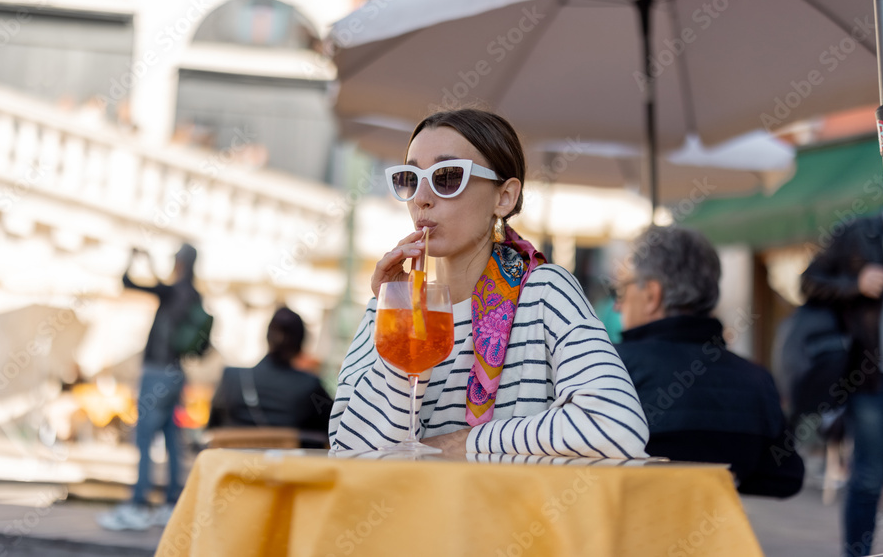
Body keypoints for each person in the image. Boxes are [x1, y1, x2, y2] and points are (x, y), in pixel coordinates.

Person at [328, 109, 649, 457]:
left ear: (504, 197)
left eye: (447, 176)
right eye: (409, 178)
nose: (422, 198)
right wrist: (403, 322)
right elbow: (348, 453)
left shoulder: (543, 292)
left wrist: (466, 441)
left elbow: (617, 426)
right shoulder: (392, 305)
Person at [614, 225, 805, 498]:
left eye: (620, 291)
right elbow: (785, 477)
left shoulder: (612, 368)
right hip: (716, 536)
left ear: (651, 295)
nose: (616, 306)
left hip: (622, 534)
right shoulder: (756, 379)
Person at [800, 160, 883, 556]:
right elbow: (808, 283)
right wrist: (856, 284)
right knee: (867, 480)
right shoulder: (861, 232)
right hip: (873, 377)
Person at [97, 243, 201, 531]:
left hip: (157, 372)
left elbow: (129, 282)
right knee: (171, 438)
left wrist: (136, 260)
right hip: (177, 373)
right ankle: (171, 503)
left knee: (143, 438)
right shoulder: (193, 295)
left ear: (180, 262)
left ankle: (139, 504)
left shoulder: (173, 292)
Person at [207, 306, 333, 447]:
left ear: (267, 337)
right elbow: (333, 430)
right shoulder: (310, 386)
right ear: (300, 344)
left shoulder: (230, 377)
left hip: (233, 466)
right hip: (287, 467)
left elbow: (212, 427)